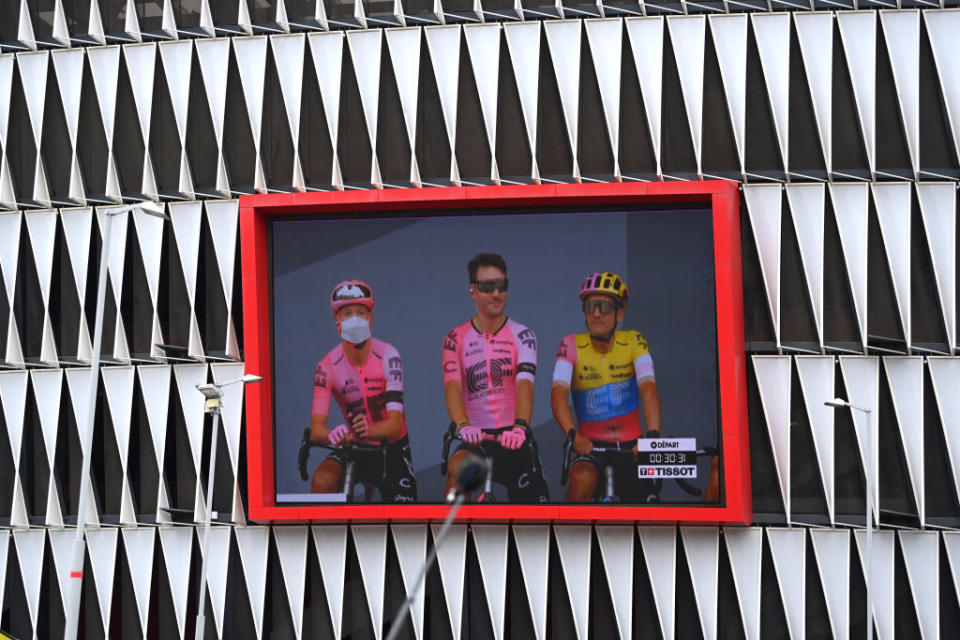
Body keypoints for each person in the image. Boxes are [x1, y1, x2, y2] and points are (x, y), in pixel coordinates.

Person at [442, 253, 549, 502]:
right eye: (487, 287)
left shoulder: (523, 335)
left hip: (512, 436)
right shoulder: (454, 338)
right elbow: (452, 388)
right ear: (473, 291)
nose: (496, 293)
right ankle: (457, 539)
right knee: (455, 474)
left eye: (501, 286)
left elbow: (525, 385)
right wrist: (462, 425)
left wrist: (520, 426)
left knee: (536, 514)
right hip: (474, 438)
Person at [552, 271, 663, 502]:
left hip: (632, 448)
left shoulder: (634, 341)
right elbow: (558, 394)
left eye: (603, 306)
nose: (596, 313)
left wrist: (651, 437)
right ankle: (568, 536)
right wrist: (574, 435)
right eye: (590, 306)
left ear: (619, 313)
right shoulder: (571, 344)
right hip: (591, 448)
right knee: (581, 479)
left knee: (650, 502)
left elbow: (648, 389)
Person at [308, 280, 417, 502]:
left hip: (391, 448)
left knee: (404, 516)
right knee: (322, 480)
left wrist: (367, 431)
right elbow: (315, 430)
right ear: (336, 320)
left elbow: (395, 426)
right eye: (347, 313)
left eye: (361, 312)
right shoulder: (326, 366)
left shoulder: (389, 355)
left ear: (370, 316)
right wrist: (332, 436)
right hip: (355, 447)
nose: (354, 319)